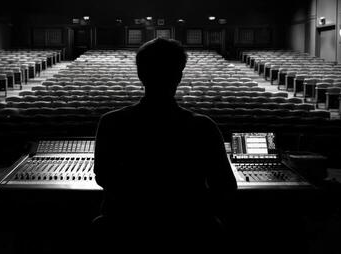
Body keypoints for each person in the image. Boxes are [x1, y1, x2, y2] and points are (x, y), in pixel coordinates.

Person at [92, 38, 237, 250]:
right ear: (179, 76)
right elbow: (225, 187)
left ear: (141, 75)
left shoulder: (111, 122)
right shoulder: (203, 127)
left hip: (124, 232)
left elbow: (103, 177)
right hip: (191, 233)